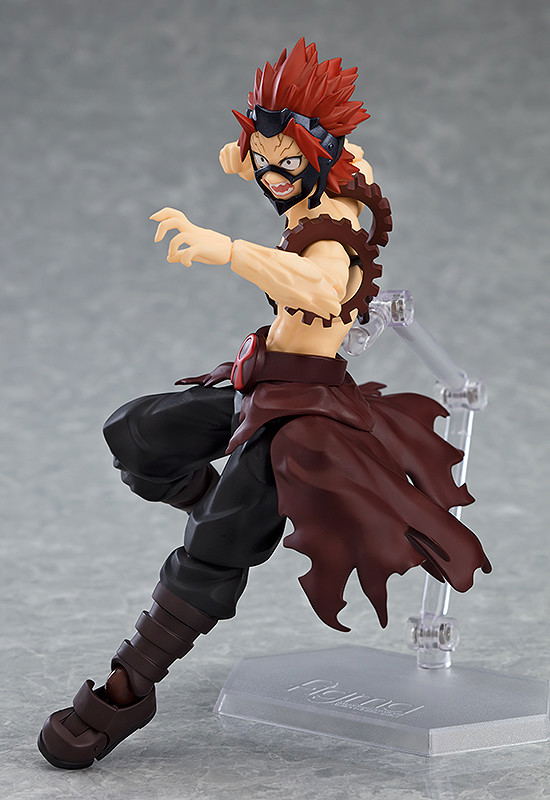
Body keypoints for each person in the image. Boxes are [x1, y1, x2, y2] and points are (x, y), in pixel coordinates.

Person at [38, 38, 491, 770]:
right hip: (260, 383)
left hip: (302, 416)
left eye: (288, 166)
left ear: (322, 160)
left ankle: (127, 689)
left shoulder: (334, 234)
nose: (273, 179)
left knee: (212, 555)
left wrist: (227, 249)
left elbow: (318, 288)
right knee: (137, 431)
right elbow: (305, 155)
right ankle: (207, 501)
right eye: (264, 164)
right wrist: (252, 150)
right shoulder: (321, 172)